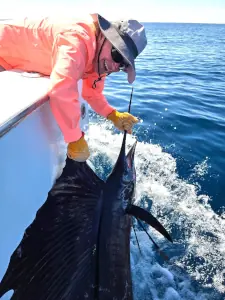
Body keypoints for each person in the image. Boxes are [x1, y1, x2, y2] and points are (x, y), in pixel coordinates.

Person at [0, 14, 147, 161]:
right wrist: (75, 138)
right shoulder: (78, 40)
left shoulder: (99, 59)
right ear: (105, 36)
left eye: (122, 64)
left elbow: (92, 93)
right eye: (117, 55)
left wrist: (113, 115)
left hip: (10, 62)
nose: (115, 66)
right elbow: (62, 89)